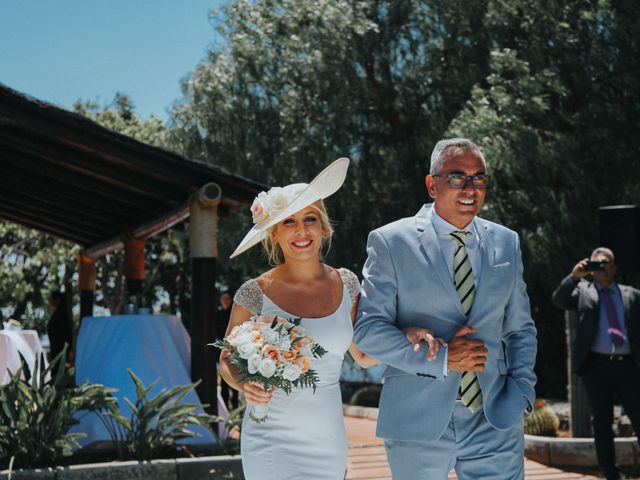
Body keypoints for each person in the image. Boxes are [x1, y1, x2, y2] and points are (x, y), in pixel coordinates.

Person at [220, 158, 441, 480]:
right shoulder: (255, 292)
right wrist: (243, 382)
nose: (301, 230)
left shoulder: (347, 284)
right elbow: (226, 358)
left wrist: (404, 334)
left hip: (327, 436)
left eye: (310, 219)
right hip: (270, 435)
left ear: (323, 226)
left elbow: (363, 355)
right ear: (274, 235)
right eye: (288, 222)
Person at [354, 138, 538, 479]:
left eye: (478, 178)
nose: (470, 188)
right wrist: (443, 359)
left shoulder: (506, 242)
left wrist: (522, 392)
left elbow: (520, 328)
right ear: (431, 184)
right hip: (416, 418)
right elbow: (368, 332)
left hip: (494, 418)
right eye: (457, 177)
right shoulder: (391, 242)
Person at [552, 247, 640, 480]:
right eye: (596, 264)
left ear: (614, 268)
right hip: (597, 368)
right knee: (601, 423)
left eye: (605, 263)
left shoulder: (631, 294)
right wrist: (574, 276)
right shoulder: (583, 292)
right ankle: (611, 474)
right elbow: (559, 300)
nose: (600, 267)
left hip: (628, 366)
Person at [215, 290, 238, 410]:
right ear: (220, 300)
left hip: (234, 350)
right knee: (223, 380)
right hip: (220, 351)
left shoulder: (233, 315)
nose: (225, 301)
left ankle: (235, 407)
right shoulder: (217, 315)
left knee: (235, 378)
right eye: (223, 298)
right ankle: (225, 408)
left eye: (227, 298)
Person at [46, 290, 73, 364]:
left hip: (61, 351)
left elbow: (68, 334)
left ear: (57, 300)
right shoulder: (57, 314)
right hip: (55, 349)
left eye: (50, 299)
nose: (49, 301)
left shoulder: (62, 314)